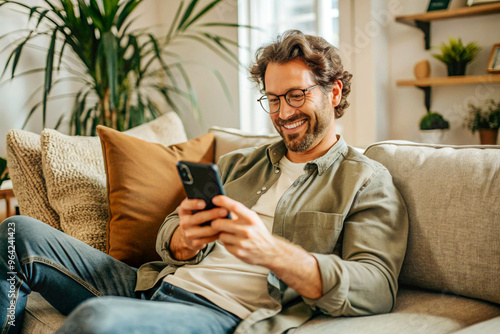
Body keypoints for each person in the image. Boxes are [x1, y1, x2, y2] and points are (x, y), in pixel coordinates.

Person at [0, 30, 408, 334]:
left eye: (296, 96)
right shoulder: (239, 164)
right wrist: (183, 238)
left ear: (334, 92)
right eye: (273, 99)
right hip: (151, 283)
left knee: (96, 320)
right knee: (17, 233)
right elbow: (170, 230)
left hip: (219, 312)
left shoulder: (366, 181)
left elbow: (376, 287)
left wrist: (272, 252)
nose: (283, 112)